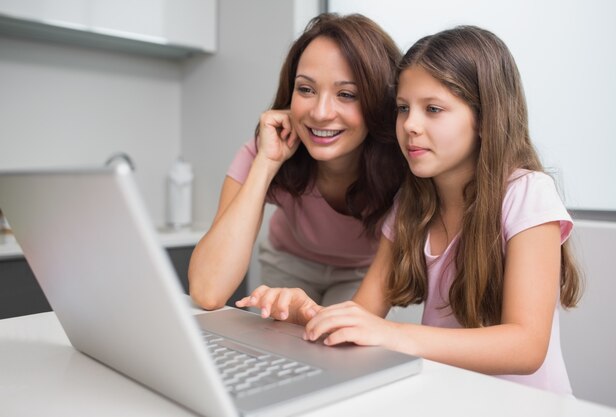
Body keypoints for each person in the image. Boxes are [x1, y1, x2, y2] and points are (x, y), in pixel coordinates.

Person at [236, 25, 583, 395]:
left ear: (485, 118)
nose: (410, 125)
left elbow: (525, 347)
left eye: (433, 109)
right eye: (403, 108)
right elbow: (364, 318)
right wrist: (309, 312)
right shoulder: (412, 204)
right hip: (450, 397)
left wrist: (392, 334)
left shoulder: (527, 194)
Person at [188, 13, 407, 310]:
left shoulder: (402, 166)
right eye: (306, 89)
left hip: (362, 271)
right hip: (288, 262)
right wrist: (265, 163)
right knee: (274, 350)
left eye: (346, 94)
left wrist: (310, 319)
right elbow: (206, 290)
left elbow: (356, 326)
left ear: (379, 101)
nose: (320, 112)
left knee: (339, 352)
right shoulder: (266, 147)